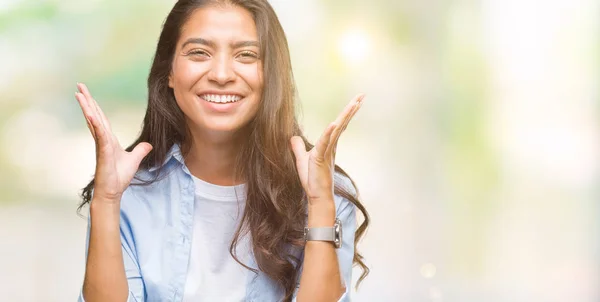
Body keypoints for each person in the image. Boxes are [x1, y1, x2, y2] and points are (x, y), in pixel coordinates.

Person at [74, 0, 369, 301]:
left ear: (271, 77)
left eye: (246, 55)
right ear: (170, 72)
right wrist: (107, 201)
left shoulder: (325, 194)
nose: (222, 74)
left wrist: (320, 203)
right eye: (199, 52)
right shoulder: (127, 192)